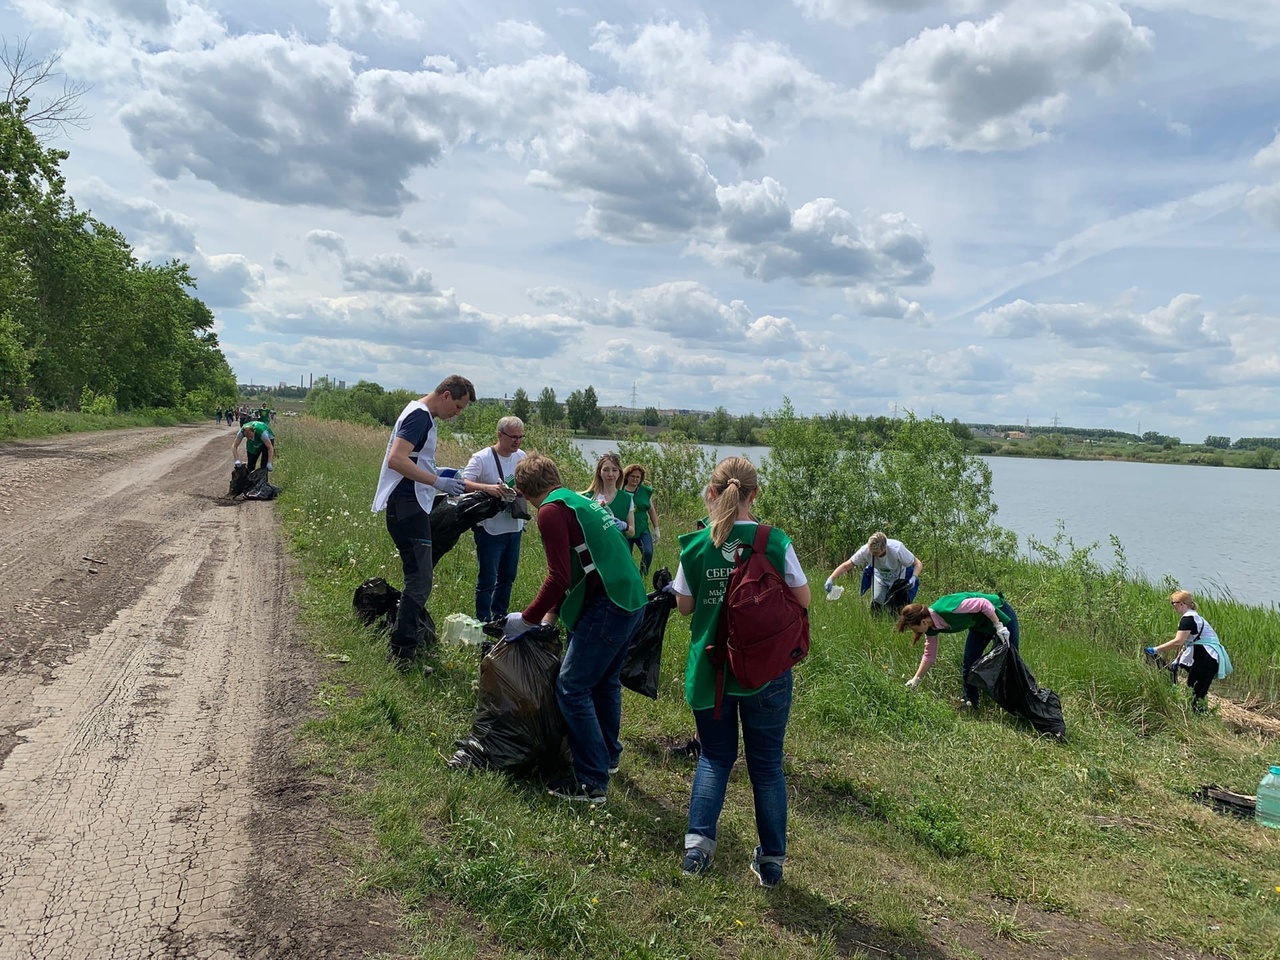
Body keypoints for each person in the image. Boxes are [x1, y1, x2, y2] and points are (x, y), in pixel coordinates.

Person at [672, 456, 809, 888]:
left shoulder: (696, 544)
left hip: (712, 670)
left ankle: (697, 851)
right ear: (755, 495)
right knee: (766, 766)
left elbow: (685, 606)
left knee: (714, 757)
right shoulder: (774, 540)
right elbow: (804, 600)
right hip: (764, 673)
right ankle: (770, 863)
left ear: (711, 493)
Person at [506, 453, 647, 804]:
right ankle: (608, 756)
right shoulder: (576, 501)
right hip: (631, 597)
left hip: (609, 604)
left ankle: (592, 782)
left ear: (523, 490)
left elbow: (558, 576)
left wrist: (525, 619)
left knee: (572, 687)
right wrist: (549, 618)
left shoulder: (551, 512)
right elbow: (577, 565)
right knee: (604, 681)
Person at [370, 375, 475, 669]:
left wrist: (440, 471)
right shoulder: (420, 417)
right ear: (445, 395)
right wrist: (438, 482)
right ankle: (402, 653)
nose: (458, 413)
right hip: (407, 507)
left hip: (411, 504)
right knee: (421, 581)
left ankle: (404, 642)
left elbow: (413, 460)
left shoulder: (422, 415)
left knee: (418, 579)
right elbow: (397, 459)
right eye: (457, 406)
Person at [896, 592, 1018, 708]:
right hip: (979, 625)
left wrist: (998, 626)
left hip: (998, 614)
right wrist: (915, 680)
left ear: (922, 621)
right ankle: (971, 703)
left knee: (1010, 660)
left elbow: (983, 603)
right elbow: (929, 655)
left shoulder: (946, 608)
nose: (915, 632)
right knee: (969, 663)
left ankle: (1016, 703)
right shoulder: (931, 627)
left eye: (914, 628)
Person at [462, 416, 526, 622]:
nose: (517, 441)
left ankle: (500, 617)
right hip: (489, 528)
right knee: (488, 578)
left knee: (508, 577)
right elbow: (463, 483)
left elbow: (531, 483)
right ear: (500, 434)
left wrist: (520, 490)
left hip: (514, 526)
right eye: (513, 437)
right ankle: (482, 621)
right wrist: (490, 489)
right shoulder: (482, 458)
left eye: (521, 437)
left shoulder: (521, 457)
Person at [1145, 590, 1233, 712]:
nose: (1172, 605)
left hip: (1207, 657)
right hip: (1210, 657)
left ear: (1181, 604)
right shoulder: (1194, 617)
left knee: (1195, 692)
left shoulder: (1188, 619)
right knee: (1196, 691)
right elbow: (1189, 642)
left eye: (1173, 603)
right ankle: (1200, 716)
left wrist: (1155, 649)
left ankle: (1199, 718)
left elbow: (1178, 641)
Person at [825, 531, 921, 612]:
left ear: (884, 548)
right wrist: (831, 578)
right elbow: (846, 565)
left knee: (897, 608)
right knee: (877, 602)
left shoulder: (897, 549)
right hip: (880, 577)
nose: (873, 555)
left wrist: (914, 577)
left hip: (898, 579)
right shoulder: (865, 550)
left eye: (876, 553)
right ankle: (877, 623)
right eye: (872, 553)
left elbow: (918, 563)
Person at [621, 463, 660, 578]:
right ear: (627, 476)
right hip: (626, 530)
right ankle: (629, 577)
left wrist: (656, 529)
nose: (635, 479)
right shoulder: (619, 491)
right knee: (626, 557)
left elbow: (651, 511)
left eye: (638, 477)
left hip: (642, 529)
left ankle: (643, 575)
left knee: (648, 551)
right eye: (633, 476)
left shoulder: (645, 492)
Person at [584, 453, 635, 537]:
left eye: (614, 470)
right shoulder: (588, 497)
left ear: (619, 473)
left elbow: (632, 532)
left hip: (618, 547)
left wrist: (625, 527)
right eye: (606, 470)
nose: (610, 474)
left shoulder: (626, 498)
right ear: (599, 472)